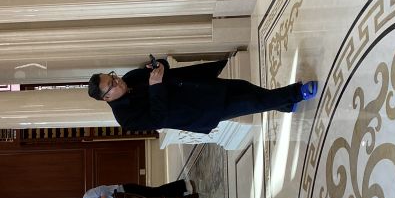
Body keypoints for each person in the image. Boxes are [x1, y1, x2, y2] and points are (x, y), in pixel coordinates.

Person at [88, 56, 318, 134]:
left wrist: (159, 66)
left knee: (245, 88)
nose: (117, 80)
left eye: (113, 76)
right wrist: (155, 86)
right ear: (106, 97)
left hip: (200, 88)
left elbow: (164, 69)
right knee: (250, 102)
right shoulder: (126, 118)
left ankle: (285, 105)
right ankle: (297, 93)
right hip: (198, 111)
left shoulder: (131, 76)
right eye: (112, 84)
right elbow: (158, 119)